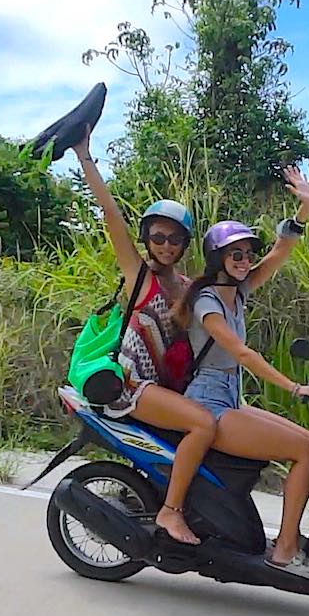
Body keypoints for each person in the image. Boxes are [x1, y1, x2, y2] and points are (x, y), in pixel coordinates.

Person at [174, 167, 309, 580]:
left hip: (230, 398)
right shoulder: (209, 302)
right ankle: (284, 549)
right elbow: (243, 354)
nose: (246, 261)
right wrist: (296, 388)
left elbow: (280, 252)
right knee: (302, 451)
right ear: (219, 260)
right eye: (237, 255)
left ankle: (287, 538)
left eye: (248, 253)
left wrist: (306, 207)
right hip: (209, 405)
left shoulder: (237, 292)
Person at [73, 130, 215, 546]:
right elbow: (111, 215)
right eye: (157, 237)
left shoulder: (189, 286)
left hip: (173, 388)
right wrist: (85, 156)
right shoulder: (140, 276)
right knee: (202, 426)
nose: (166, 245)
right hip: (135, 387)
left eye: (174, 239)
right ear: (147, 239)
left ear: (185, 243)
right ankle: (171, 514)